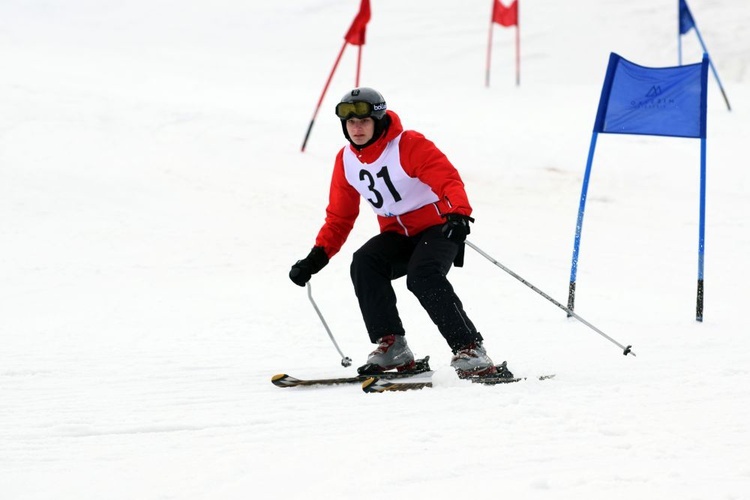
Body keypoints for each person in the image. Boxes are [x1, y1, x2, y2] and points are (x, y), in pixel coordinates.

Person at [289, 87, 508, 379]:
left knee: (423, 276)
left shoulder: (408, 144)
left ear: (378, 121)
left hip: (439, 228)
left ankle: (470, 349)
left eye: (364, 121)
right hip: (398, 234)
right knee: (365, 262)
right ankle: (392, 345)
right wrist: (317, 257)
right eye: (350, 122)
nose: (356, 128)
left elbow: (447, 179)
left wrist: (458, 213)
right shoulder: (346, 161)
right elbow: (340, 217)